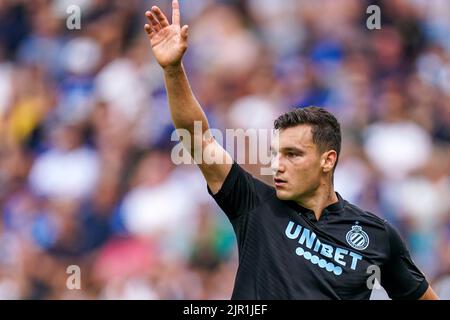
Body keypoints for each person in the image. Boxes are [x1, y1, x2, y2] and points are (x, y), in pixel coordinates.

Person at [144, 0, 439, 300]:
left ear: (328, 160)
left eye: (293, 154)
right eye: (276, 154)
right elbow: (198, 140)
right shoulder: (254, 205)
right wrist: (172, 70)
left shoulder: (376, 236)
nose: (278, 165)